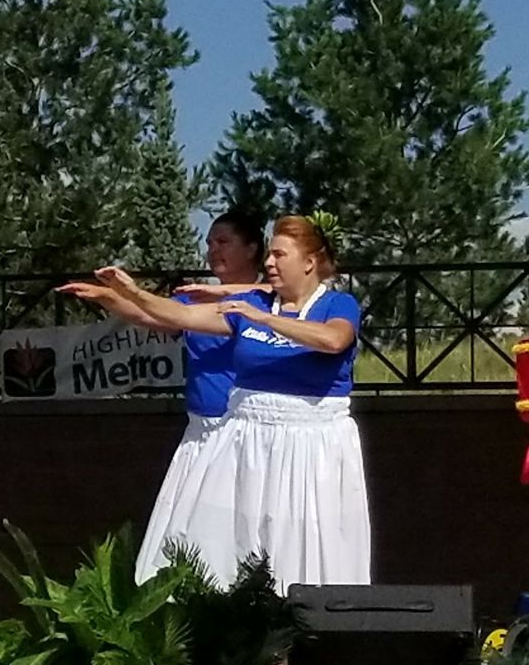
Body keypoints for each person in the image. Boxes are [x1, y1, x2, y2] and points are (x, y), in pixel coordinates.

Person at [80, 215, 367, 591]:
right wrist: (131, 292)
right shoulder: (252, 304)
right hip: (247, 442)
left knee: (297, 551)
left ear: (309, 262)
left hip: (309, 448)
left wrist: (263, 318)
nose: (269, 263)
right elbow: (181, 314)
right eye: (269, 254)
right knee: (215, 548)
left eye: (279, 255)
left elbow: (333, 341)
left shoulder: (336, 304)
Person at [58, 212, 267, 585]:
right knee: (186, 534)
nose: (212, 250)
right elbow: (151, 316)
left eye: (223, 242)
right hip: (199, 434)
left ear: (252, 248)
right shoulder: (189, 298)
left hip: (242, 434)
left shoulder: (265, 303)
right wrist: (107, 297)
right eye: (209, 242)